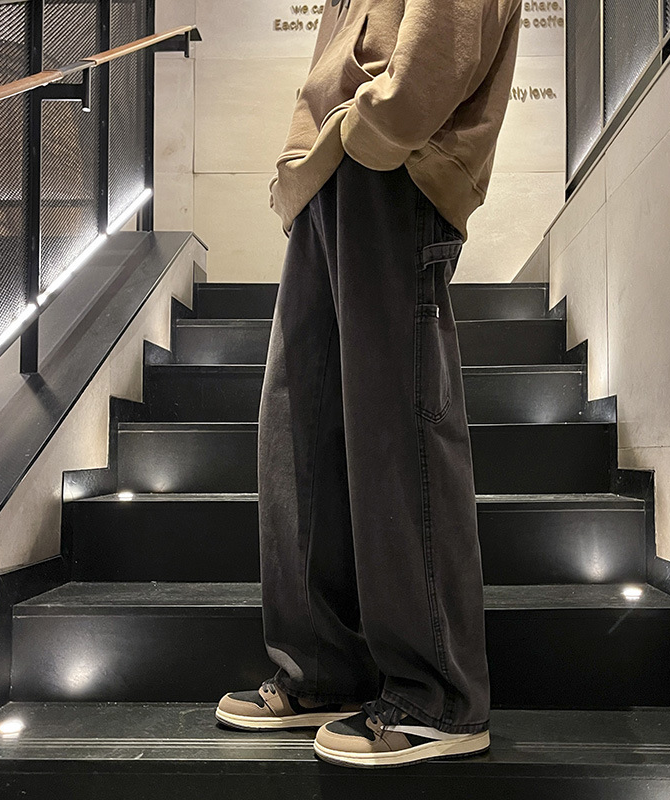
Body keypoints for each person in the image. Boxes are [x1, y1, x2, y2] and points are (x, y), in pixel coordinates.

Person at [216, 0, 523, 768]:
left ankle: (438, 696)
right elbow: (327, 59)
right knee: (299, 429)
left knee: (397, 426)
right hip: (332, 170)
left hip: (393, 165)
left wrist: (373, 129)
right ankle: (325, 670)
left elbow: (443, 36)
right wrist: (304, 165)